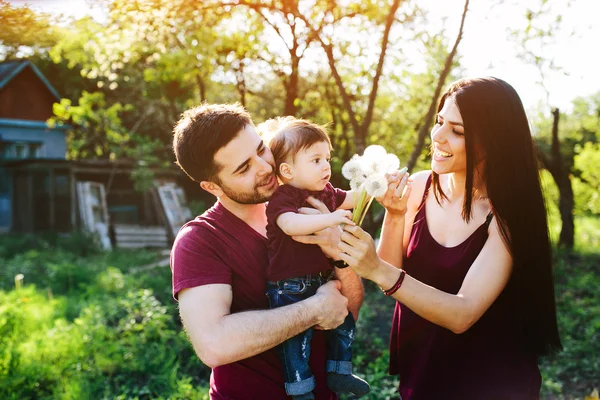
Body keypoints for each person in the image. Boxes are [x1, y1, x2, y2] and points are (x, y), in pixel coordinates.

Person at [298, 77, 563, 399]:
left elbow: (462, 315)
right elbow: (392, 273)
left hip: (493, 382)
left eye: (458, 131)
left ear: (494, 142)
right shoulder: (421, 187)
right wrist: (395, 216)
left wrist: (375, 267)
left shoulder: (508, 216)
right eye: (439, 122)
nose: (437, 136)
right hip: (422, 369)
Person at [170, 103, 364, 400]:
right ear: (212, 186)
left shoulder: (306, 205)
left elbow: (348, 308)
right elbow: (213, 344)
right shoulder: (200, 241)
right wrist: (313, 310)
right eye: (244, 168)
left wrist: (336, 253)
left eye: (261, 149)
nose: (264, 167)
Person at [260, 117, 370, 399]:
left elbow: (356, 197)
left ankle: (339, 372)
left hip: (321, 282)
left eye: (327, 159)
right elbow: (290, 225)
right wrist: (330, 219)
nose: (326, 166)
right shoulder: (285, 197)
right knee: (297, 341)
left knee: (344, 323)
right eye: (316, 159)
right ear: (287, 169)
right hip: (289, 286)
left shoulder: (328, 193)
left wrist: (379, 185)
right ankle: (300, 389)